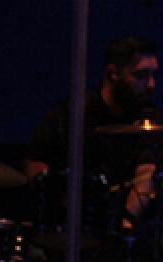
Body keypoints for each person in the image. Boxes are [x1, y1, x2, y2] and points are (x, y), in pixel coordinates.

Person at [25, 35, 159, 230]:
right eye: (141, 75)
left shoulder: (149, 118)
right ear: (113, 73)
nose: (151, 84)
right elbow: (35, 161)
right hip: (68, 226)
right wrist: (55, 199)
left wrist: (126, 220)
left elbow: (146, 172)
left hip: (123, 228)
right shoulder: (71, 114)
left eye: (154, 75)